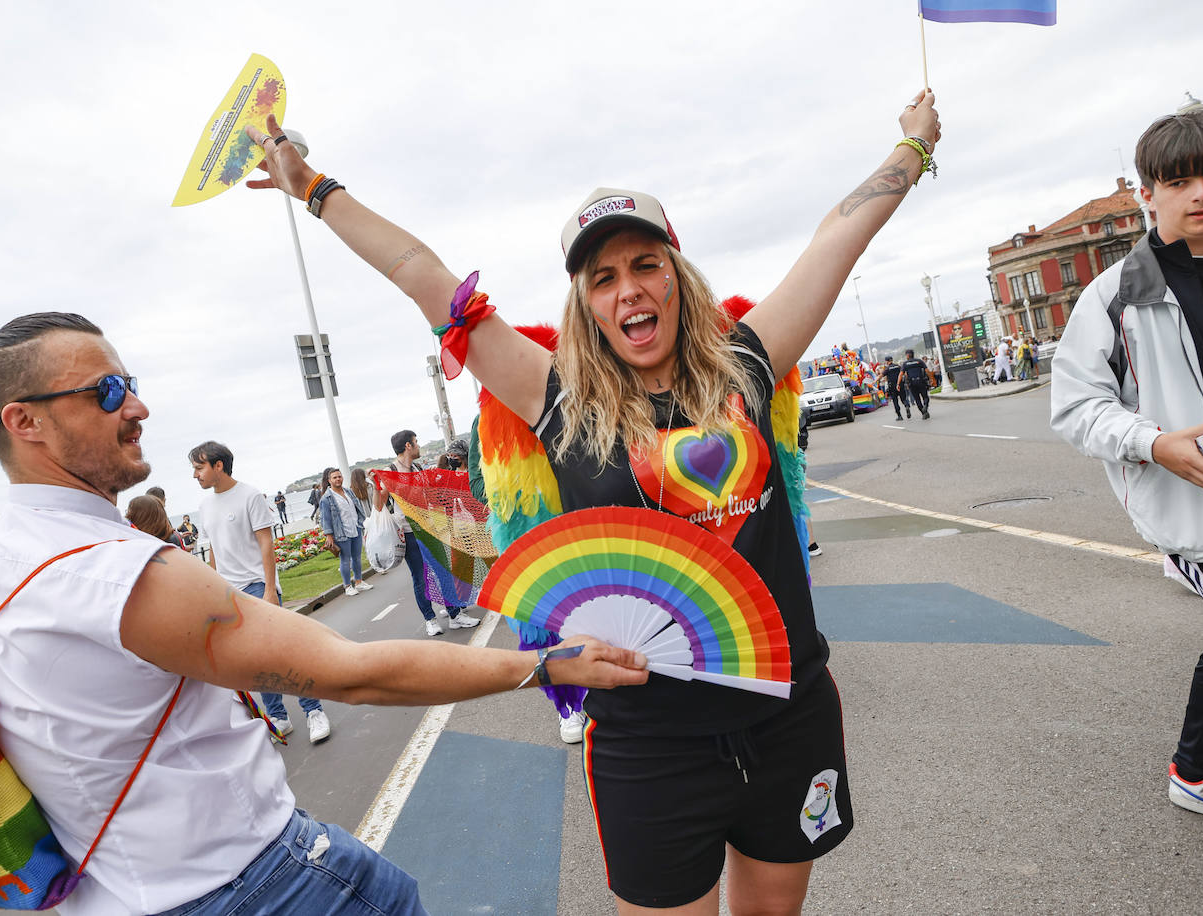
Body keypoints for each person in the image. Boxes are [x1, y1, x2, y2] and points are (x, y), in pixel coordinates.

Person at [244, 87, 940, 913]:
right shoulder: (557, 400)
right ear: (585, 302)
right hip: (649, 741)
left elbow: (841, 234)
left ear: (676, 275)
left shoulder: (748, 365)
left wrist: (914, 147)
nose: (628, 289)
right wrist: (312, 186)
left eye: (646, 264)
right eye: (603, 276)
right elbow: (423, 276)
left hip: (791, 715)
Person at [0, 313, 645, 915]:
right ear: (23, 422)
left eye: (132, 385)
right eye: (108, 391)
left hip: (113, 888)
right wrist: (545, 665)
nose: (138, 408)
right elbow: (358, 672)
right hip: (243, 880)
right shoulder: (112, 572)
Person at [1051, 107, 1203, 818]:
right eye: (1179, 180)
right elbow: (1077, 408)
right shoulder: (1114, 294)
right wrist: (1154, 442)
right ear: (1148, 193)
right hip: (1196, 501)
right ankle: (1196, 771)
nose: (1200, 192)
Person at [190, 439, 332, 745]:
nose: (195, 475)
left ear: (218, 465)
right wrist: (215, 589)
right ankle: (277, 715)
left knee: (281, 651)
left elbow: (266, 542)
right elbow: (214, 547)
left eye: (199, 467)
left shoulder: (249, 495)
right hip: (229, 592)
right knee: (254, 661)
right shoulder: (204, 505)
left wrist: (270, 589)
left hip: (256, 585)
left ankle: (313, 710)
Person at [374, 429, 478, 636]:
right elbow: (379, 506)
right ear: (408, 446)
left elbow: (431, 497)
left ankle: (455, 615)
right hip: (409, 532)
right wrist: (377, 486)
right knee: (420, 577)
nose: (419, 445)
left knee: (444, 571)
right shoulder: (391, 471)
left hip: (429, 528)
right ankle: (430, 619)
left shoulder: (417, 467)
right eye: (416, 442)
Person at [318, 466, 373, 597]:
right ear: (329, 480)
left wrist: (361, 522)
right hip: (341, 533)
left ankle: (359, 581)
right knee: (345, 560)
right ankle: (347, 586)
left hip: (355, 528)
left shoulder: (348, 492)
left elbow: (357, 508)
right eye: (335, 477)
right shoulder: (326, 498)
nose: (338, 479)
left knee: (357, 557)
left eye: (339, 476)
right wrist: (329, 535)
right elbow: (325, 518)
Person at [899, 348, 932, 419]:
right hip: (921, 381)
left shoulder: (905, 364)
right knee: (925, 396)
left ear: (908, 355)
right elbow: (927, 371)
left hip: (912, 384)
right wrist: (931, 379)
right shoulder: (919, 361)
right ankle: (925, 406)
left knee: (917, 399)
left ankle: (923, 413)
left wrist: (898, 384)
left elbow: (901, 374)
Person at [880, 354, 911, 420]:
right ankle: (906, 406)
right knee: (904, 398)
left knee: (895, 401)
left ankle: (899, 416)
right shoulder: (898, 366)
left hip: (892, 387)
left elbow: (881, 375)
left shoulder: (887, 369)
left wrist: (875, 381)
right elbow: (904, 373)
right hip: (900, 384)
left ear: (887, 361)